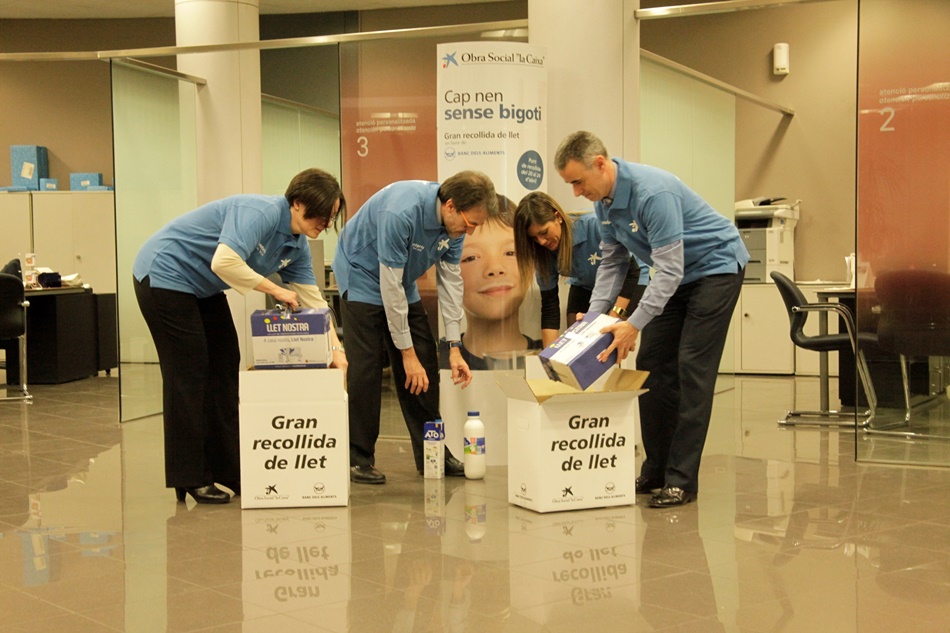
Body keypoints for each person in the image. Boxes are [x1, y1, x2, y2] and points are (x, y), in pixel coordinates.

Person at [555, 131, 748, 508]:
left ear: (600, 164)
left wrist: (633, 323)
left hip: (715, 269)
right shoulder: (604, 203)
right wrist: (593, 320)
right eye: (570, 184)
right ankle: (656, 469)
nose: (576, 193)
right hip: (677, 277)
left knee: (692, 367)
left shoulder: (652, 193)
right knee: (651, 364)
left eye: (578, 181)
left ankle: (681, 480)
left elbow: (669, 272)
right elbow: (612, 263)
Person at [133, 168, 347, 504]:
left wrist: (337, 348)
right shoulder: (259, 213)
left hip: (201, 287)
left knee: (225, 366)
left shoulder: (296, 245)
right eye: (322, 213)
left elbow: (313, 300)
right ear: (297, 202)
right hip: (164, 274)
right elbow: (224, 262)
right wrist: (276, 289)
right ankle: (190, 476)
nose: (325, 222)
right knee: (188, 373)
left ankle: (228, 469)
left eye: (332, 216)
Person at [332, 171, 499, 484]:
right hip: (362, 274)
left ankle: (432, 451)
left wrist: (454, 347)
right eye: (469, 223)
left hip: (400, 278)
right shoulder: (401, 212)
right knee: (366, 368)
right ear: (450, 206)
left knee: (425, 360)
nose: (470, 231)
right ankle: (359, 458)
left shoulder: (457, 226)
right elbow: (388, 286)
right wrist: (404, 354)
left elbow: (451, 284)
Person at [513, 191, 649, 347]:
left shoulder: (595, 226)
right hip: (586, 285)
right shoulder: (543, 251)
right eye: (534, 238)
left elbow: (632, 272)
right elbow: (550, 307)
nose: (542, 241)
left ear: (557, 217)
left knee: (609, 335)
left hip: (631, 278)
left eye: (544, 232)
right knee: (574, 340)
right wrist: (549, 359)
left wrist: (612, 317)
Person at [439, 194, 541, 370]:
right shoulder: (433, 360)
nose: (494, 268)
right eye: (471, 258)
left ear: (531, 264)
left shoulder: (548, 359)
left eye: (510, 253)